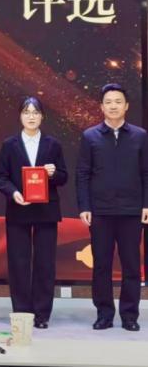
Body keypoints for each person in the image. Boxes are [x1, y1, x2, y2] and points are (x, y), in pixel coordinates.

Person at [76, 83, 148, 332]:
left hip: (131, 211)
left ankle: (129, 316)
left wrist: (146, 204)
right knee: (101, 266)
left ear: (126, 106)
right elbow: (82, 174)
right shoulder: (90, 136)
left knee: (131, 266)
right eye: (108, 102)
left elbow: (146, 173)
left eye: (118, 101)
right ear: (101, 107)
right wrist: (84, 206)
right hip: (101, 212)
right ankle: (104, 314)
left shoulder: (140, 136)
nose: (113, 106)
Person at [0, 96, 67, 329]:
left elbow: (64, 177)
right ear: (20, 116)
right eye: (27, 112)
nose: (31, 116)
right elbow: (1, 177)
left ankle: (42, 314)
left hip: (46, 210)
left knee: (45, 263)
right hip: (19, 209)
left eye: (35, 112)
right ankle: (22, 312)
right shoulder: (10, 144)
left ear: (42, 116)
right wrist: (14, 193)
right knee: (18, 262)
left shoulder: (53, 144)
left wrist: (53, 173)